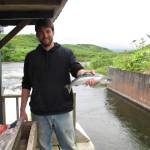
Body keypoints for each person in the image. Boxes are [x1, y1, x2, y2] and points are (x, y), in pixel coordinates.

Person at [20, 19, 97, 150]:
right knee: (44, 147)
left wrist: (85, 74)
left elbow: (76, 68)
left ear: (53, 32)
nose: (45, 35)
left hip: (63, 110)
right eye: (41, 32)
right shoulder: (30, 57)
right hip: (39, 113)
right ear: (37, 35)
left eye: (47, 31)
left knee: (69, 146)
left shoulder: (66, 53)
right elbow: (26, 84)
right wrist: (22, 110)